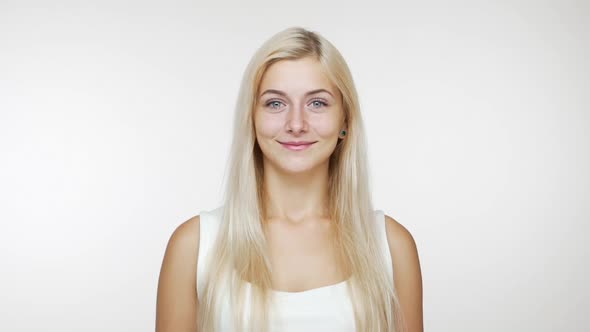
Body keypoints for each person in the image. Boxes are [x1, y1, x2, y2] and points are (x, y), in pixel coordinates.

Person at [156, 26, 423, 332]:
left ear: (344, 121)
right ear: (251, 119)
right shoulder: (194, 246)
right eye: (275, 103)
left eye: (317, 103)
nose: (296, 124)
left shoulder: (391, 247)